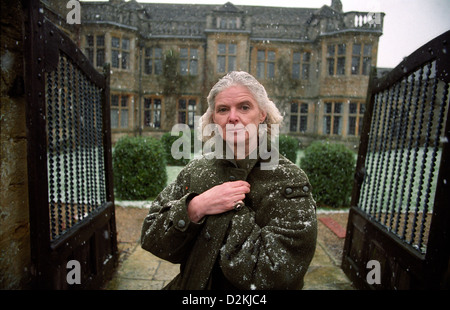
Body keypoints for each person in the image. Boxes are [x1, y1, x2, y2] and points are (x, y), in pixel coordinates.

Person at [140, 71, 317, 290]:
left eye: (244, 107)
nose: (233, 117)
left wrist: (232, 209)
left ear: (262, 114)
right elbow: (151, 238)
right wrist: (196, 207)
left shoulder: (289, 180)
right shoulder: (196, 170)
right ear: (214, 118)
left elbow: (276, 275)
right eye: (223, 109)